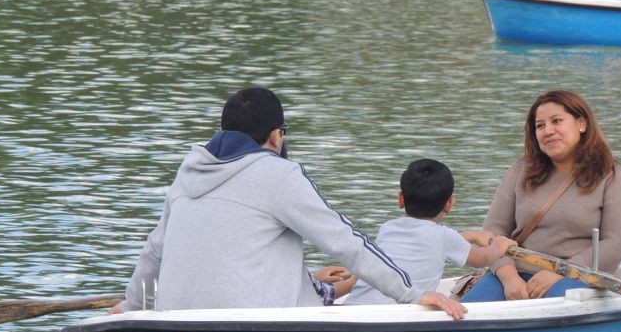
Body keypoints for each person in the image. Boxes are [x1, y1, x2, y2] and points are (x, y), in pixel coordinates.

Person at [113, 87, 466, 319]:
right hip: (256, 329)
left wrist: (132, 309)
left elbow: (153, 254)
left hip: (178, 323)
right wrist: (412, 293)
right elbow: (344, 240)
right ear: (276, 136)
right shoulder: (279, 174)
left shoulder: (186, 174)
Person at [461, 90, 621, 303]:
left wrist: (561, 271)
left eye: (556, 121)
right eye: (540, 126)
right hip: (515, 271)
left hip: (577, 276)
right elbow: (493, 231)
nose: (548, 131)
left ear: (581, 124)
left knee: (546, 313)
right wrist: (509, 277)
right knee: (466, 313)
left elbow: (617, 242)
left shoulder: (611, 175)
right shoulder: (521, 170)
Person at [343, 159, 517, 305]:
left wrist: (471, 236)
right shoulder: (444, 238)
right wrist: (499, 246)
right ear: (449, 205)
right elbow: (482, 259)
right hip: (394, 314)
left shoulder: (387, 228)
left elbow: (423, 242)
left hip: (355, 305)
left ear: (401, 199)